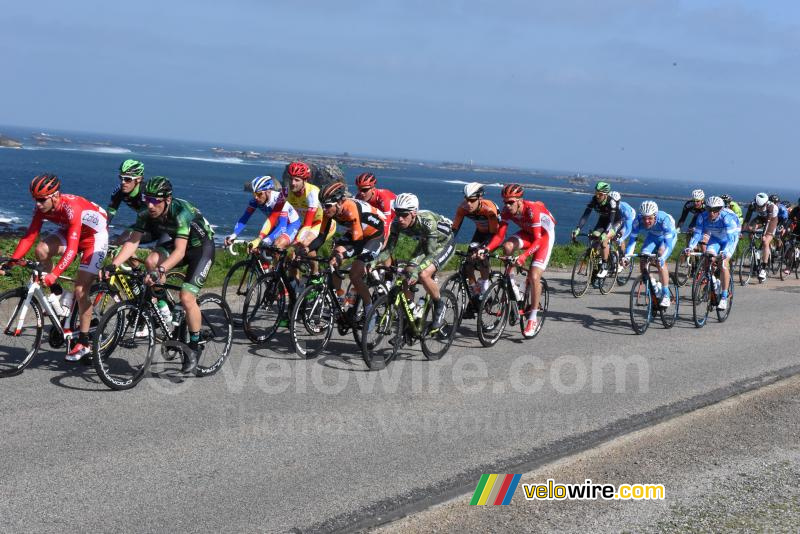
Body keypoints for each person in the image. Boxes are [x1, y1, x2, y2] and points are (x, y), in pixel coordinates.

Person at [104, 177, 215, 373]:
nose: (150, 205)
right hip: (178, 242)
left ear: (167, 199)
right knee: (150, 261)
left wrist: (160, 271)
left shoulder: (181, 212)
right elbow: (132, 242)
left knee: (187, 297)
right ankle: (167, 307)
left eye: (155, 201)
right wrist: (113, 265)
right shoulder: (146, 212)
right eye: (147, 199)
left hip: (201, 248)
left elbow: (180, 252)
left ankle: (194, 346)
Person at [3, 174, 109, 361]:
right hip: (71, 232)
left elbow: (72, 249)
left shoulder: (72, 208)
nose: (37, 204)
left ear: (55, 196)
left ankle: (84, 342)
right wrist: (11, 262)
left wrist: (54, 273)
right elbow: (29, 236)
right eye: (35, 199)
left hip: (94, 238)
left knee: (81, 290)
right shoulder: (42, 208)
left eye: (41, 200)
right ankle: (59, 293)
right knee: (41, 251)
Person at [297, 182, 385, 325]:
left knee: (355, 273)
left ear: (339, 203)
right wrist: (307, 249)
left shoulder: (350, 209)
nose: (324, 209)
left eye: (327, 206)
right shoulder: (329, 210)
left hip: (374, 235)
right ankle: (339, 298)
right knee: (334, 259)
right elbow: (321, 237)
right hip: (356, 233)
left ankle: (370, 308)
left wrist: (343, 255)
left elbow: (358, 244)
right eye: (322, 205)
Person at [484, 184, 556, 337]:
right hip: (528, 233)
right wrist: (486, 249)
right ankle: (511, 283)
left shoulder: (532, 210)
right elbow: (499, 236)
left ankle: (533, 318)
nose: (507, 206)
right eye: (505, 202)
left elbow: (538, 240)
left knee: (534, 276)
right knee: (508, 246)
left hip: (544, 237)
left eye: (511, 202)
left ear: (520, 201)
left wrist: (523, 257)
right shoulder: (506, 211)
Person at [379, 193, 455, 330]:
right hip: (427, 241)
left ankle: (439, 305)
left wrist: (417, 271)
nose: (400, 219)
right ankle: (410, 312)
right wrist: (373, 263)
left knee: (423, 274)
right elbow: (388, 250)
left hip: (444, 243)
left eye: (404, 215)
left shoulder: (427, 221)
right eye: (397, 214)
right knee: (408, 272)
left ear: (414, 213)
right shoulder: (397, 224)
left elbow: (431, 254)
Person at [451, 182, 501, 315]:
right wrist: (447, 245)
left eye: (472, 200)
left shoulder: (489, 209)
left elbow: (493, 233)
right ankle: (475, 295)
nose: (468, 203)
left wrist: (482, 249)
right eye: (466, 199)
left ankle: (485, 289)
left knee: (482, 257)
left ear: (480, 198)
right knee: (468, 264)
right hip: (480, 232)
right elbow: (454, 229)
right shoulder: (463, 208)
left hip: (493, 234)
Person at [684, 196, 740, 310]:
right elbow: (697, 234)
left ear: (720, 209)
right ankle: (713, 281)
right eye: (709, 209)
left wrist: (725, 252)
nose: (712, 213)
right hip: (715, 238)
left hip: (729, 239)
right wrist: (690, 247)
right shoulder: (702, 217)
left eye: (715, 210)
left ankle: (724, 296)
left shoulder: (727, 218)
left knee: (723, 263)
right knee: (708, 257)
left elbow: (732, 239)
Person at [224, 175, 301, 252]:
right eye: (254, 194)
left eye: (259, 194)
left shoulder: (280, 199)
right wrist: (234, 234)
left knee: (277, 245)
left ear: (268, 191)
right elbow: (244, 218)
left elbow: (282, 226)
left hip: (291, 224)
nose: (256, 197)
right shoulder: (255, 201)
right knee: (258, 250)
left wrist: (266, 240)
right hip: (274, 224)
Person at [624, 201, 678, 308]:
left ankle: (666, 295)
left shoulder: (664, 220)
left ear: (655, 216)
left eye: (649, 218)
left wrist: (663, 258)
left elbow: (668, 245)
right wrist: (627, 257)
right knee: (643, 257)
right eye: (644, 218)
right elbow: (632, 241)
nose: (646, 221)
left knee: (661, 255)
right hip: (653, 236)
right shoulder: (637, 221)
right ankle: (653, 284)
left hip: (667, 237)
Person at [571, 181, 618, 278]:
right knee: (594, 240)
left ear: (605, 195)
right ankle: (597, 265)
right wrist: (578, 229)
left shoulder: (611, 202)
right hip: (603, 221)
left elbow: (611, 221)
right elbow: (585, 216)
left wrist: (605, 233)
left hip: (615, 222)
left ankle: (605, 265)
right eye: (596, 193)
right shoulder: (594, 200)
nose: (597, 196)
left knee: (604, 240)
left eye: (600, 194)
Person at [107, 159, 148, 245]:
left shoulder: (146, 192)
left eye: (127, 179)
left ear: (139, 179)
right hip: (147, 223)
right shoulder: (119, 191)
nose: (123, 182)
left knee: (125, 240)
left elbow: (145, 220)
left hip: (166, 225)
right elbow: (108, 216)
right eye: (121, 178)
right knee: (118, 241)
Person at [743, 192, 778, 282]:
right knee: (750, 229)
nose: (759, 208)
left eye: (761, 206)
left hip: (771, 221)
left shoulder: (771, 207)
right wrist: (742, 230)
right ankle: (755, 252)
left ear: (766, 203)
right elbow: (747, 218)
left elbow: (768, 223)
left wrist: (764, 235)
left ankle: (763, 268)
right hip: (761, 218)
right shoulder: (752, 205)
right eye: (757, 206)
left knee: (766, 242)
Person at [609, 191, 636, 264]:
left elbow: (628, 228)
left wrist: (621, 238)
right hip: (618, 218)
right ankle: (611, 253)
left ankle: (622, 257)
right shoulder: (608, 207)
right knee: (610, 233)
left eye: (615, 202)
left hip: (628, 218)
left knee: (620, 236)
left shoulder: (625, 209)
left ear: (618, 202)